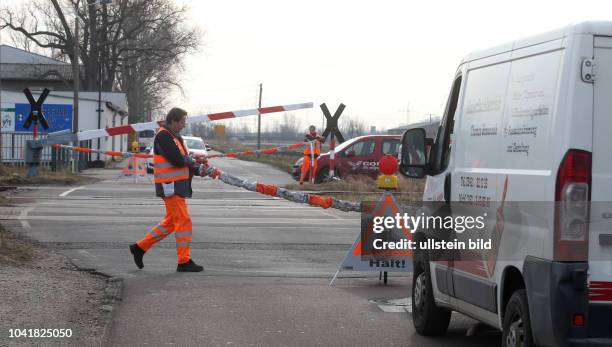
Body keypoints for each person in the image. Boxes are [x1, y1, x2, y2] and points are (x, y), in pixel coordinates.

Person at [129, 107, 205, 272]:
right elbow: (178, 160)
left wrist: (196, 166)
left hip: (175, 186)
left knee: (171, 222)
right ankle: (184, 261)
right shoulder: (164, 136)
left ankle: (139, 248)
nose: (184, 125)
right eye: (183, 121)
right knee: (184, 221)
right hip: (171, 187)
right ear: (174, 121)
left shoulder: (174, 137)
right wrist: (191, 162)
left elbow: (183, 160)